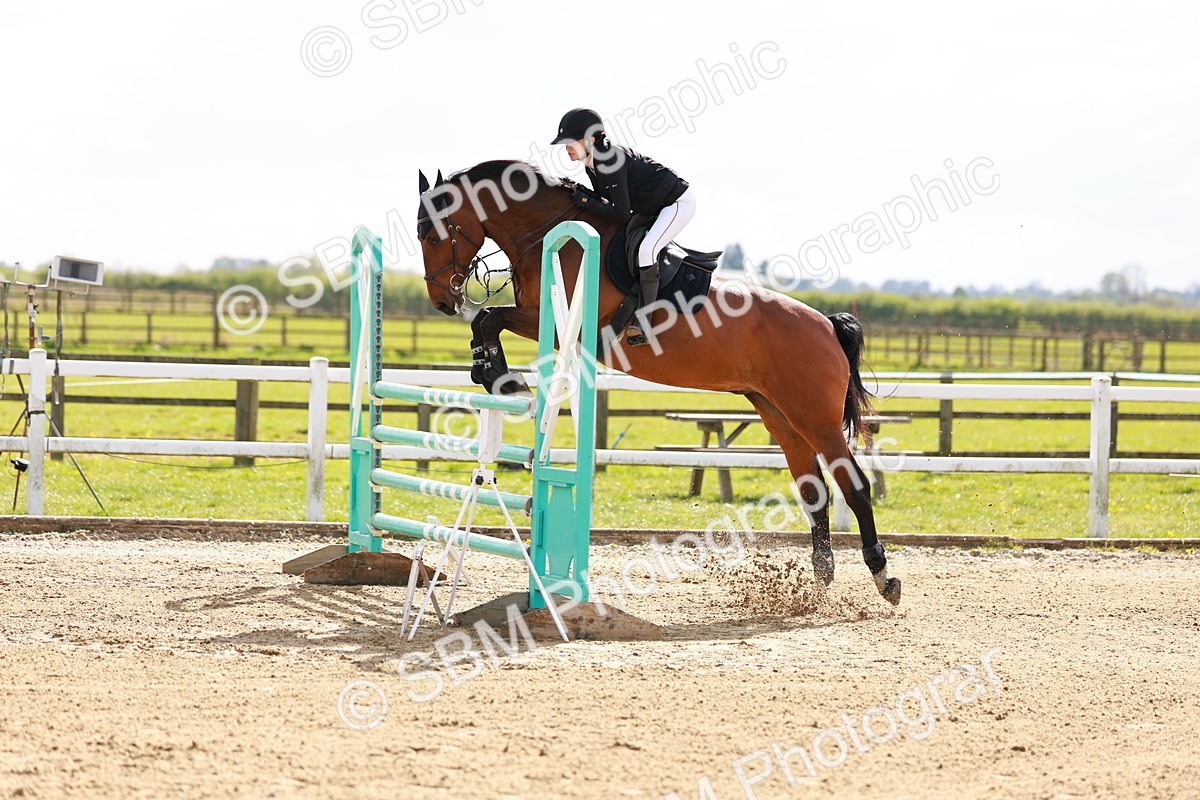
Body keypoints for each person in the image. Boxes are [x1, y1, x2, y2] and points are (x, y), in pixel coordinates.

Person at [551, 108, 695, 342]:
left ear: (591, 140)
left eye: (571, 141)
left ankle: (645, 323)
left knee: (647, 250)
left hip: (676, 204)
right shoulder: (591, 163)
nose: (566, 147)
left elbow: (620, 213)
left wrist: (586, 201)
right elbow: (606, 201)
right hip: (649, 208)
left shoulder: (610, 159)